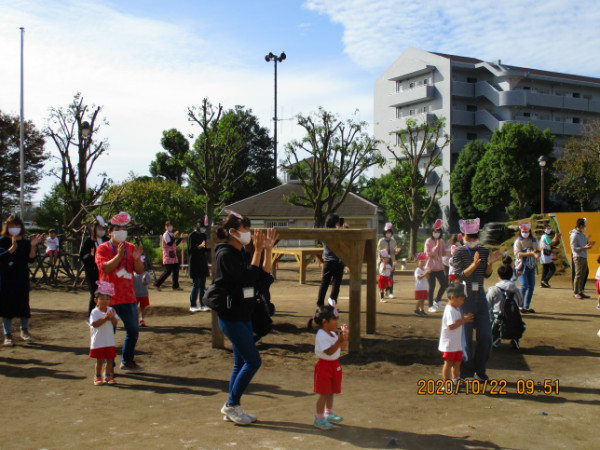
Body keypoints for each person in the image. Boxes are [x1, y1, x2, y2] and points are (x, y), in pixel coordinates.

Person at [213, 212, 278, 425]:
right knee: (253, 361)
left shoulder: (241, 252)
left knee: (240, 363)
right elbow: (246, 279)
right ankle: (231, 404)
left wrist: (267, 250)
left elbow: (261, 276)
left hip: (244, 314)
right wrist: (258, 250)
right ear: (232, 232)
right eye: (245, 229)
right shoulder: (225, 254)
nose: (249, 233)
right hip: (231, 316)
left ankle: (234, 406)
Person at [95, 211, 145, 372]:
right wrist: (119, 256)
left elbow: (139, 271)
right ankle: (108, 366)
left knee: (133, 330)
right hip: (109, 299)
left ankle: (127, 360)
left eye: (123, 228)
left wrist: (137, 259)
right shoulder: (102, 249)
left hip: (129, 296)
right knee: (108, 333)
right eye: (117, 229)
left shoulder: (131, 248)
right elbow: (105, 268)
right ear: (110, 232)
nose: (121, 231)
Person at [452, 218, 501, 381]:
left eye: (474, 236)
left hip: (480, 294)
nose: (472, 240)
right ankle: (466, 372)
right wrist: (473, 264)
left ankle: (481, 369)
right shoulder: (458, 251)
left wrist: (490, 264)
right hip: (465, 297)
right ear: (463, 236)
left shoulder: (485, 250)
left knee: (486, 336)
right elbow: (459, 275)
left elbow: (486, 274)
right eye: (468, 236)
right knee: (465, 337)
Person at [0, 216, 44, 346]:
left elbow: (31, 259)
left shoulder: (25, 241)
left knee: (24, 304)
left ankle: (24, 331)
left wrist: (32, 246)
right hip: (6, 277)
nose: (14, 228)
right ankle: (7, 335)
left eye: (17, 225)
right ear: (7, 227)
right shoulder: (2, 240)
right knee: (6, 306)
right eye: (11, 225)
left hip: (21, 276)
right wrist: (11, 249)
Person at [310, 305, 349, 431]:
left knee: (331, 391)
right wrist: (339, 341)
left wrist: (344, 337)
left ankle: (329, 413)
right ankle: (319, 418)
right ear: (324, 321)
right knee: (324, 393)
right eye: (334, 319)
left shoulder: (333, 333)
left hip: (334, 365)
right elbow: (329, 352)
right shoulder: (321, 335)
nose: (337, 322)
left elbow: (342, 348)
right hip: (324, 366)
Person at [439, 283, 474, 390]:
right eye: (461, 300)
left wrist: (463, 318)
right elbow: (451, 326)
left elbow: (456, 322)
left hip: (456, 343)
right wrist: (463, 320)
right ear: (453, 297)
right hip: (449, 343)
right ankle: (446, 383)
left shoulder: (456, 308)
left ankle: (455, 381)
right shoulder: (450, 310)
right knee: (449, 363)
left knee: (457, 363)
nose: (462, 302)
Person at [89, 281, 120, 385]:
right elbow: (94, 324)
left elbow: (116, 323)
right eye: (102, 298)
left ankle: (108, 376)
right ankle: (97, 376)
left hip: (109, 341)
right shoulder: (95, 312)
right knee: (100, 360)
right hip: (99, 341)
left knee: (110, 360)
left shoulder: (111, 310)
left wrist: (112, 317)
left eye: (107, 298)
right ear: (96, 300)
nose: (105, 301)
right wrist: (105, 318)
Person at [79, 216, 109, 316]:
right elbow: (82, 256)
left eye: (103, 228)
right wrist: (91, 255)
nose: (102, 230)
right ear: (95, 228)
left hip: (105, 271)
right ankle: (92, 316)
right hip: (92, 272)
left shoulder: (107, 240)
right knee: (95, 294)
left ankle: (105, 315)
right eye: (100, 228)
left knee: (106, 294)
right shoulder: (89, 241)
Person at [317, 214, 345, 313]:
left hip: (328, 261)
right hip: (338, 261)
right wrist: (342, 229)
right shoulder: (338, 233)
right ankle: (332, 304)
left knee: (324, 283)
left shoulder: (324, 232)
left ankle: (320, 304)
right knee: (336, 284)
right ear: (335, 222)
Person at [513, 223, 540, 313]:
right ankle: (519, 305)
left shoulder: (534, 240)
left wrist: (537, 254)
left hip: (531, 266)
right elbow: (517, 254)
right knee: (524, 286)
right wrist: (530, 253)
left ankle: (526, 306)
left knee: (531, 286)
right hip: (521, 266)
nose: (524, 233)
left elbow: (537, 250)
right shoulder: (518, 241)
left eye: (526, 231)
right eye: (523, 231)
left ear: (529, 231)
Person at [424, 219, 449, 312]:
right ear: (432, 232)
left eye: (438, 232)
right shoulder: (428, 241)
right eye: (435, 231)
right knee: (432, 286)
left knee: (445, 284)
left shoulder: (441, 241)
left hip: (439, 267)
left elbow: (443, 253)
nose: (436, 233)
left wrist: (448, 247)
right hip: (430, 267)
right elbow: (428, 254)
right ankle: (430, 306)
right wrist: (436, 247)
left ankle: (437, 300)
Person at [154, 221, 186, 291]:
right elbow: (169, 244)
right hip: (168, 256)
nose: (170, 227)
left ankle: (175, 286)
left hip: (173, 256)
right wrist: (174, 237)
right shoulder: (166, 235)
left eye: (171, 225)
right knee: (168, 271)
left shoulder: (171, 235)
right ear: (165, 227)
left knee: (176, 271)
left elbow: (175, 244)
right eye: (168, 226)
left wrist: (180, 238)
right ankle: (157, 284)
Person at [188, 219, 210, 312]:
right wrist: (198, 247)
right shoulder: (191, 236)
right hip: (194, 263)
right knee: (196, 284)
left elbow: (206, 249)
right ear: (198, 226)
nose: (204, 229)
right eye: (203, 227)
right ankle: (193, 305)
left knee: (202, 285)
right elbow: (190, 250)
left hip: (202, 262)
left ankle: (202, 304)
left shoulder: (204, 235)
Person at [570, 218, 594, 299]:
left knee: (583, 274)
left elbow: (584, 245)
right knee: (578, 274)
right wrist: (584, 247)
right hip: (578, 256)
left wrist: (589, 245)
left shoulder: (583, 234)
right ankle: (576, 292)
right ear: (580, 226)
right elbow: (574, 248)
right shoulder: (574, 235)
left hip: (584, 256)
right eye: (584, 225)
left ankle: (581, 291)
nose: (585, 227)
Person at [376, 223, 401, 298]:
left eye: (389, 232)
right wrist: (384, 251)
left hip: (391, 261)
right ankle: (381, 290)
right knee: (383, 277)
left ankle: (390, 292)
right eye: (387, 233)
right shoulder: (381, 241)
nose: (388, 234)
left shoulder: (393, 241)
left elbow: (394, 252)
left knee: (391, 277)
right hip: (383, 261)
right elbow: (378, 250)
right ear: (384, 233)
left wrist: (397, 250)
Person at [134, 258, 151, 327]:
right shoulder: (134, 274)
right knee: (134, 308)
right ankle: (135, 320)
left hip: (144, 294)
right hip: (135, 294)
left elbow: (147, 282)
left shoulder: (146, 273)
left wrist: (144, 279)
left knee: (143, 307)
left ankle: (142, 320)